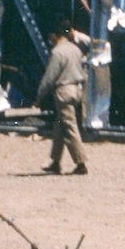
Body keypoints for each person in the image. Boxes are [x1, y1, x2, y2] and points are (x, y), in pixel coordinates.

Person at [36, 21, 88, 175]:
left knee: (70, 128)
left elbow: (49, 78)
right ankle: (55, 161)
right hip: (77, 90)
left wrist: (39, 96)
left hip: (64, 92)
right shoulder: (76, 50)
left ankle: (81, 163)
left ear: (54, 36)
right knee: (60, 127)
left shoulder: (57, 52)